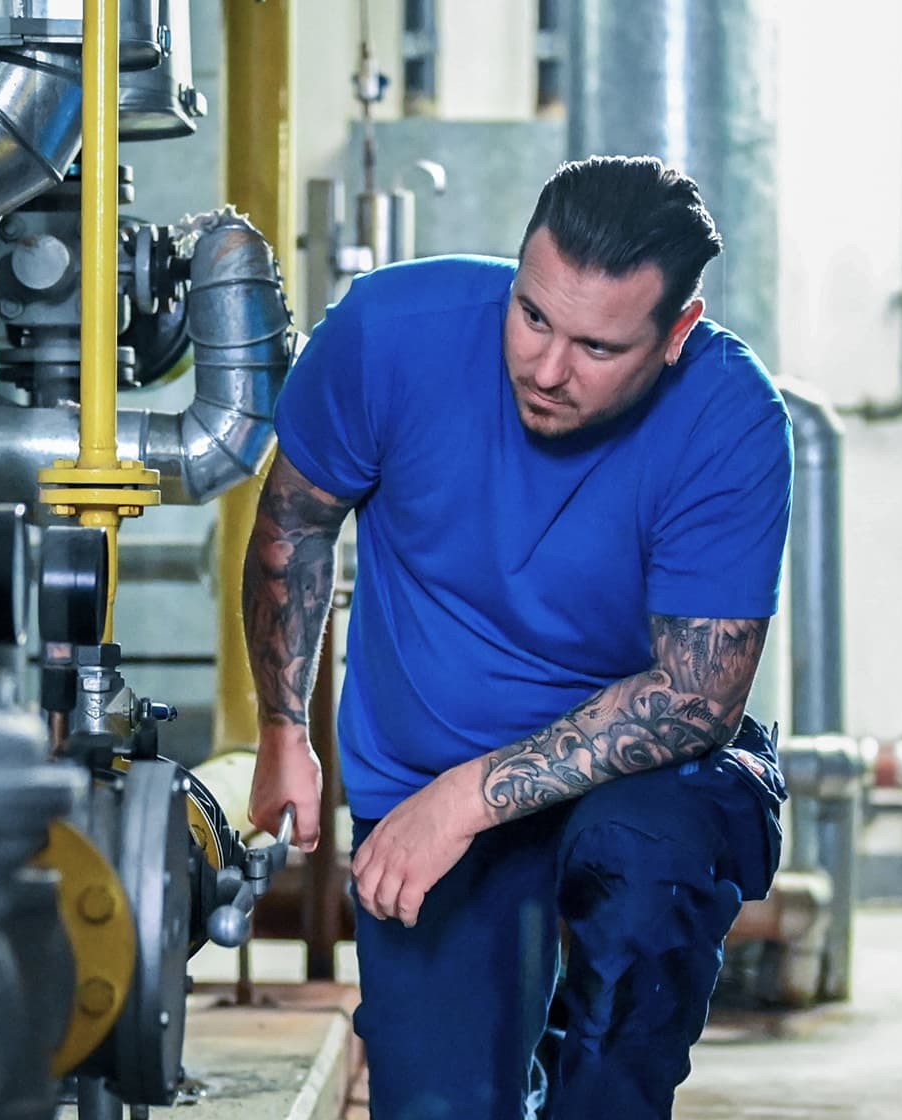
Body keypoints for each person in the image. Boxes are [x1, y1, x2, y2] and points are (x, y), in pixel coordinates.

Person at [244, 155, 794, 1120]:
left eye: (596, 346)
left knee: (643, 874)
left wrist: (470, 797)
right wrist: (284, 733)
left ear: (677, 336)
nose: (546, 369)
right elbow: (294, 522)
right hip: (422, 785)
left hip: (634, 790)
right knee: (441, 1108)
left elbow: (697, 696)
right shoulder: (387, 335)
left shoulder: (730, 419)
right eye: (533, 315)